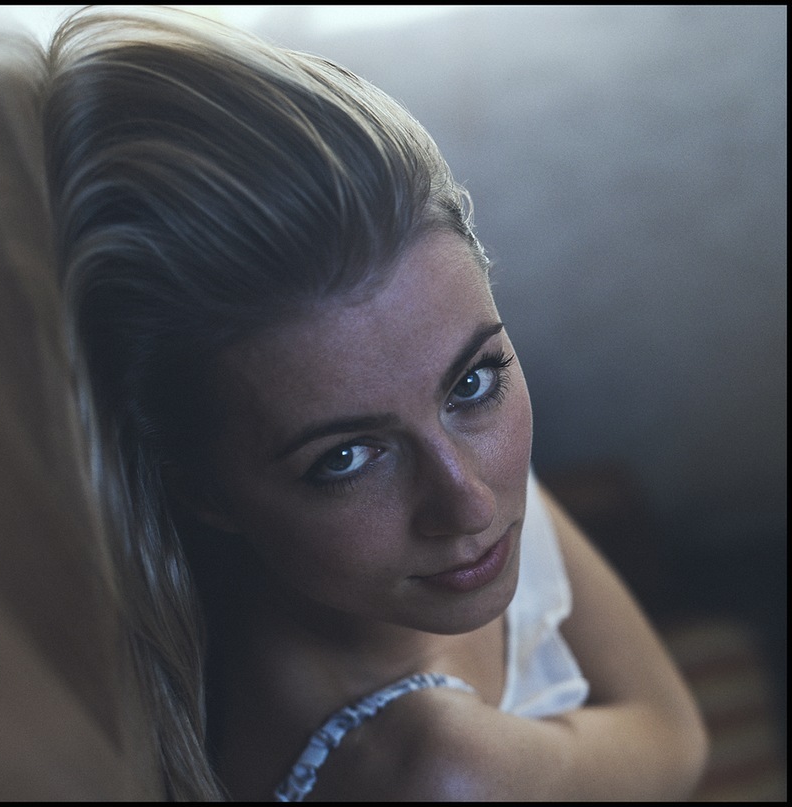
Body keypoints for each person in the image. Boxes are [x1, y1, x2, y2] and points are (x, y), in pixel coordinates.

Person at [37, 6, 707, 801]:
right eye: (346, 458)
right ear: (198, 487)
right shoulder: (435, 774)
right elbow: (669, 740)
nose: (467, 500)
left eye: (472, 381)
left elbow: (679, 736)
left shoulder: (451, 474)